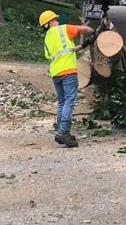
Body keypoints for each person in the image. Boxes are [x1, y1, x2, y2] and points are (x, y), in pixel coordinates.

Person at [39, 10, 93, 148]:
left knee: (62, 102)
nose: (57, 21)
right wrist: (96, 31)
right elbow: (84, 29)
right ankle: (63, 132)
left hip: (56, 73)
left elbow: (65, 51)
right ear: (51, 22)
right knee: (70, 101)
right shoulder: (63, 29)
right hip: (68, 70)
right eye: (55, 19)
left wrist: (83, 45)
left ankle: (61, 130)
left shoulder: (47, 39)